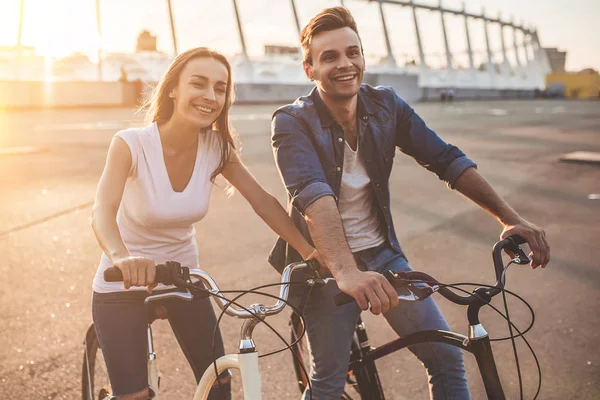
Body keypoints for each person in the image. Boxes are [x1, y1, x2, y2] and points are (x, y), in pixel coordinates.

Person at [269, 7, 550, 400]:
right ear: (309, 69)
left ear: (364, 57)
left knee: (446, 355)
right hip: (324, 267)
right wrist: (346, 272)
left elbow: (446, 159)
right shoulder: (291, 121)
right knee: (328, 385)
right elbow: (314, 196)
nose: (345, 63)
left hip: (383, 256)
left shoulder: (386, 105)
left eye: (353, 52)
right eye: (329, 57)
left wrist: (510, 218)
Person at [90, 47, 320, 400]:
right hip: (123, 280)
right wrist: (122, 257)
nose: (210, 96)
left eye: (220, 87)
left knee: (219, 384)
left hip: (185, 278)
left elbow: (262, 201)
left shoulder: (217, 148)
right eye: (198, 83)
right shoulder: (131, 144)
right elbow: (102, 211)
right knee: (133, 396)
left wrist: (309, 251)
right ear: (172, 89)